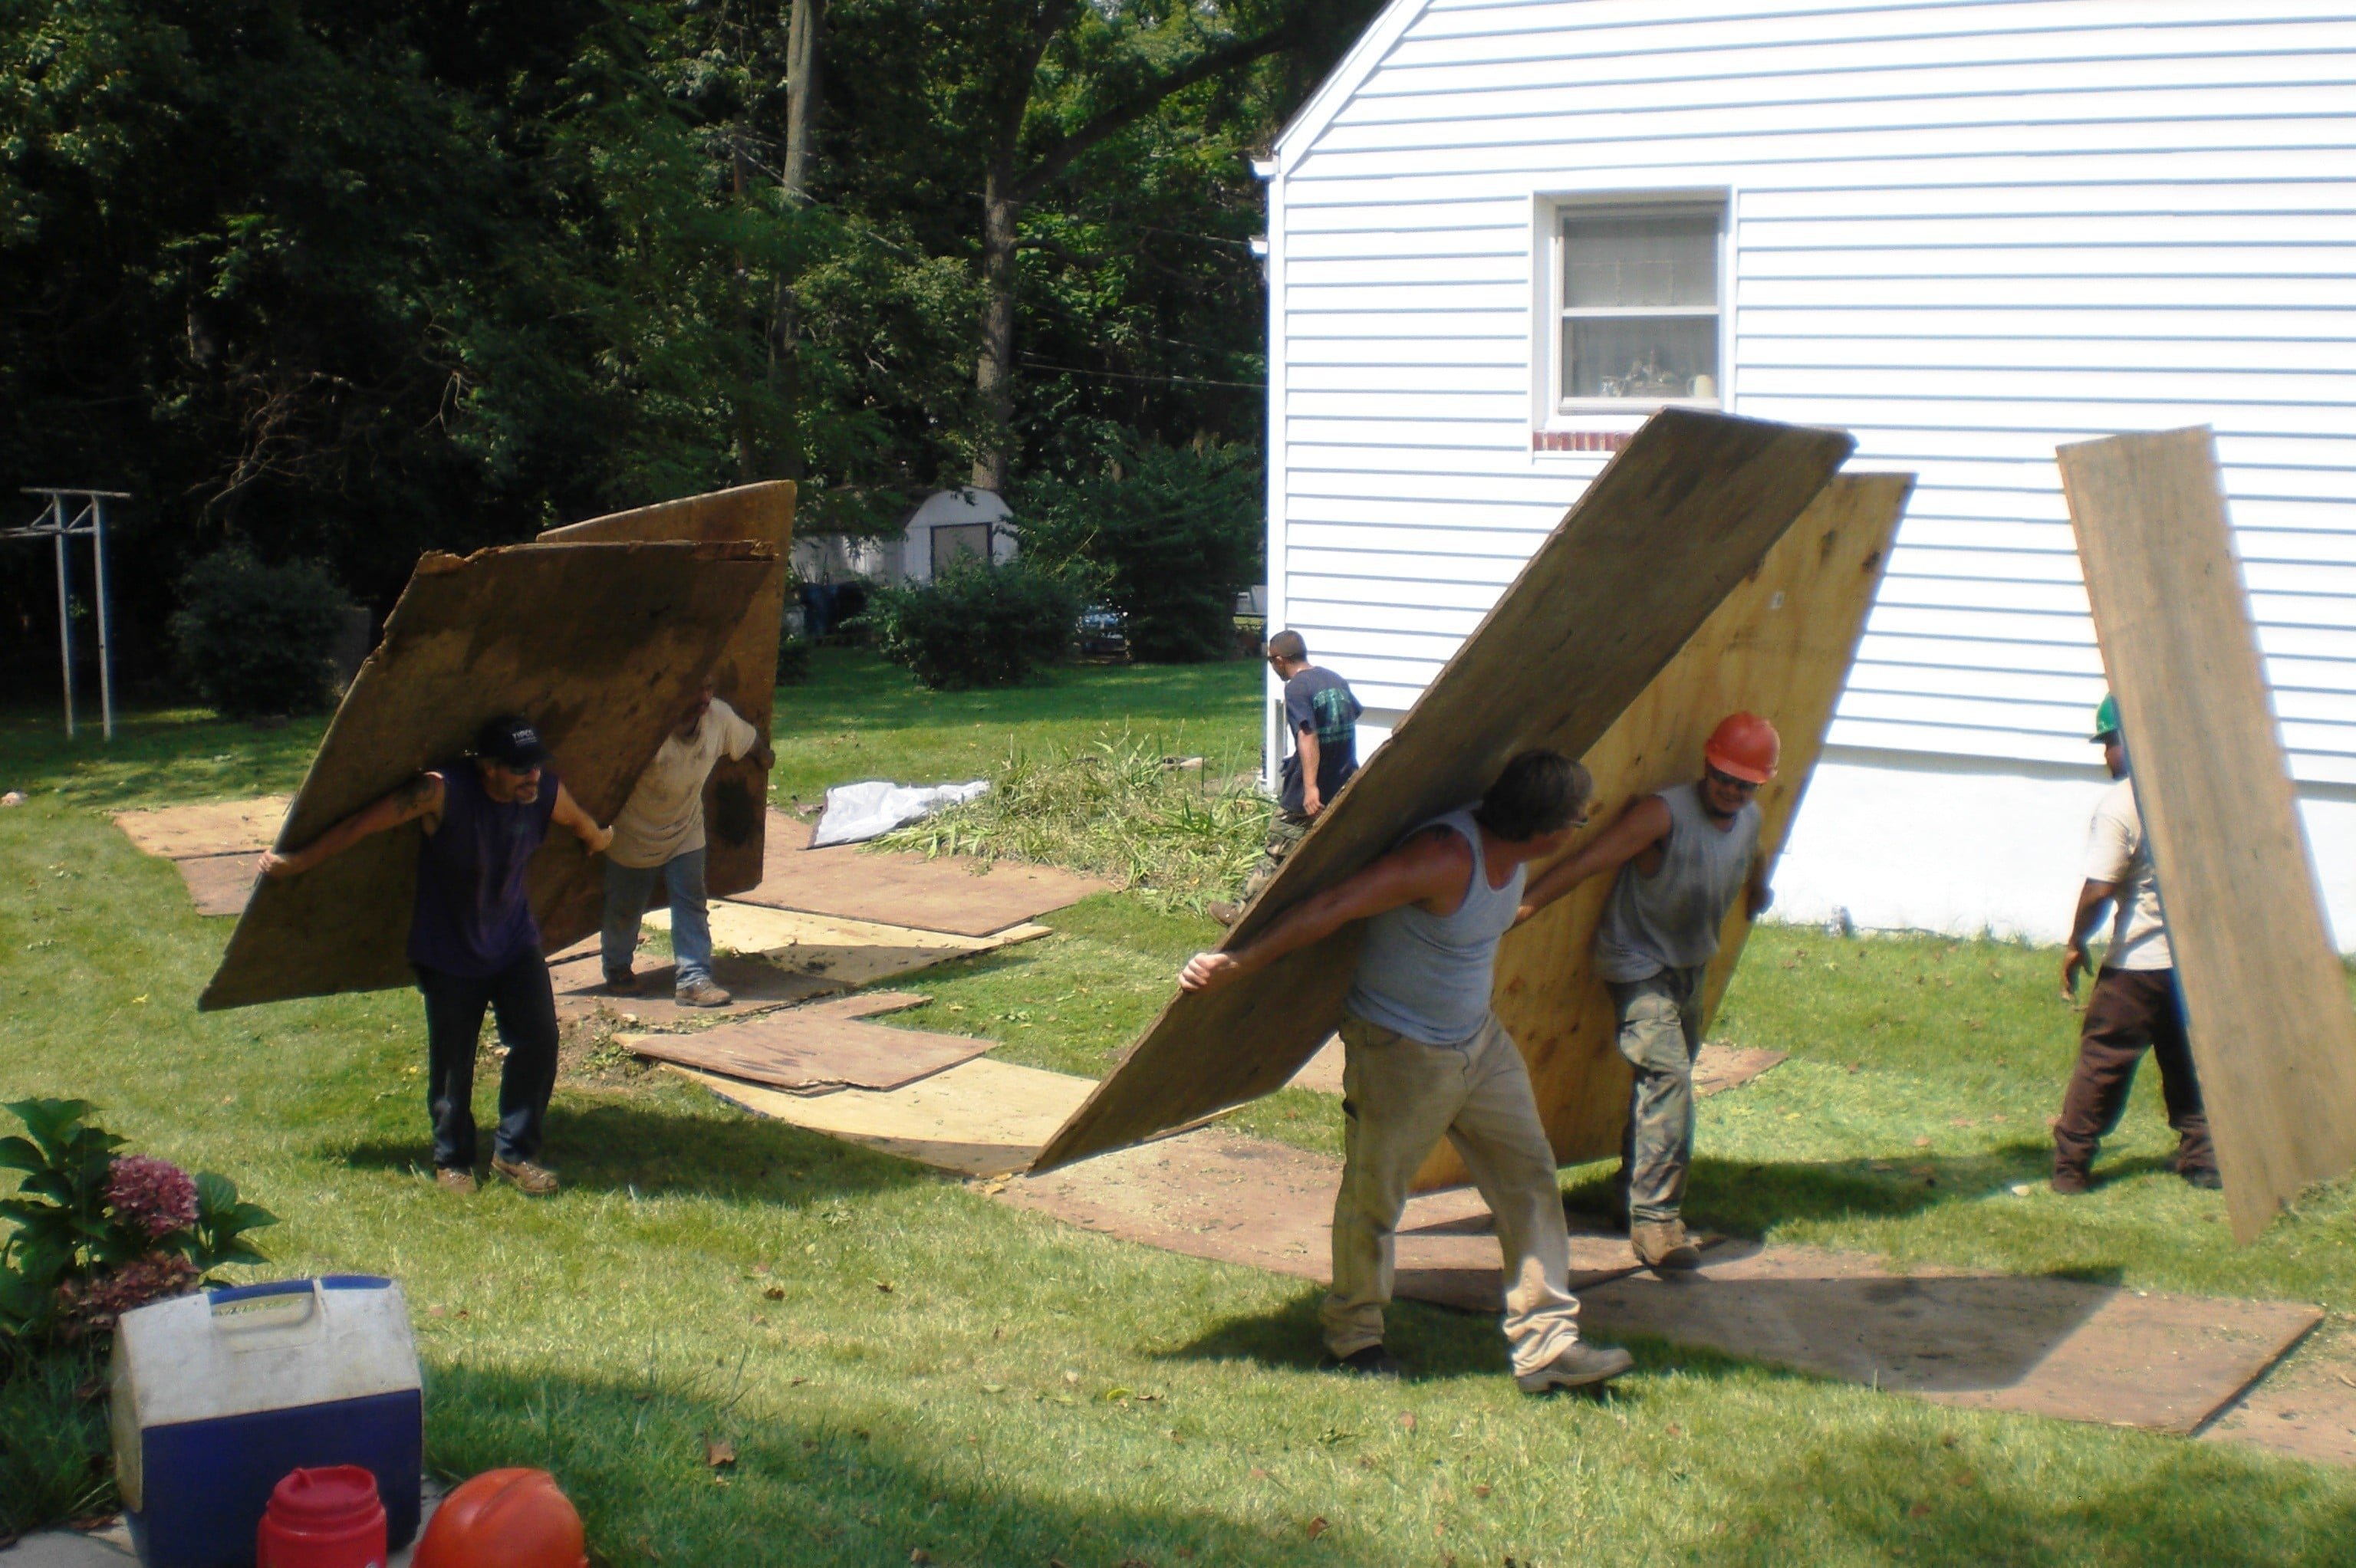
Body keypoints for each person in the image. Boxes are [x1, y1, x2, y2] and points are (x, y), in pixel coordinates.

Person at [1182, 751, 1634, 1392]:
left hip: (1479, 1042)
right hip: (1401, 1052)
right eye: (1578, 822)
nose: (1578, 830)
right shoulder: (1444, 858)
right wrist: (1238, 963)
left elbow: (1516, 909)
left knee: (1529, 1177)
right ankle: (1353, 1337)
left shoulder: (1517, 856)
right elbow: (1335, 904)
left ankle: (1547, 1345)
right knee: (1375, 1196)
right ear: (1543, 830)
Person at [259, 715, 614, 1197]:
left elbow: (581, 823)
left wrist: (598, 839)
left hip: (513, 943)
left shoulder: (544, 793)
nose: (530, 775)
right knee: (454, 1059)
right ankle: (453, 1161)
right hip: (448, 951)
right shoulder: (441, 792)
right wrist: (299, 861)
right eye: (517, 767)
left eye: (534, 764)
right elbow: (364, 824)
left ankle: (514, 1154)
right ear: (487, 767)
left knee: (539, 1040)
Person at [1515, 713, 1778, 1271]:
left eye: (1745, 784)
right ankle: (1656, 1224)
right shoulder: (1662, 813)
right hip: (1637, 962)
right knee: (1669, 1078)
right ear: (1708, 765)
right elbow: (1591, 860)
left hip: (1690, 963)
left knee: (1662, 1086)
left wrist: (1759, 890)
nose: (1732, 792)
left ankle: (1626, 1196)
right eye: (1725, 779)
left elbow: (1754, 853)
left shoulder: (1749, 816)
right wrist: (1525, 907)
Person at [2052, 694, 2217, 1194]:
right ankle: (2205, 1159)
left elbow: (2101, 886)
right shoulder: (2194, 796)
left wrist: (2077, 940)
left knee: (2104, 1060)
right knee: (2187, 1058)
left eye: (2110, 742)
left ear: (2135, 743)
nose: (2106, 755)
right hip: (2193, 962)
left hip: (2137, 964)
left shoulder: (2122, 806)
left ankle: (2070, 1169)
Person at [601, 676, 774, 1007]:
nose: (705, 697)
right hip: (633, 833)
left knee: (691, 901)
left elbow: (746, 740)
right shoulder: (644, 729)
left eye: (709, 687)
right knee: (624, 907)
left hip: (686, 828)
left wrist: (763, 756)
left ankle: (693, 979)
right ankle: (617, 968)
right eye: (695, 688)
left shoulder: (718, 719)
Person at [1209, 630, 1361, 925]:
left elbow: (1307, 734)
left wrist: (1310, 786)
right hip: (1345, 780)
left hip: (1310, 787)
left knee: (1277, 850)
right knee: (1329, 851)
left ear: (1279, 660)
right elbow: (1349, 717)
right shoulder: (1334, 680)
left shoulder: (1296, 688)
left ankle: (1241, 914)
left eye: (1270, 661)